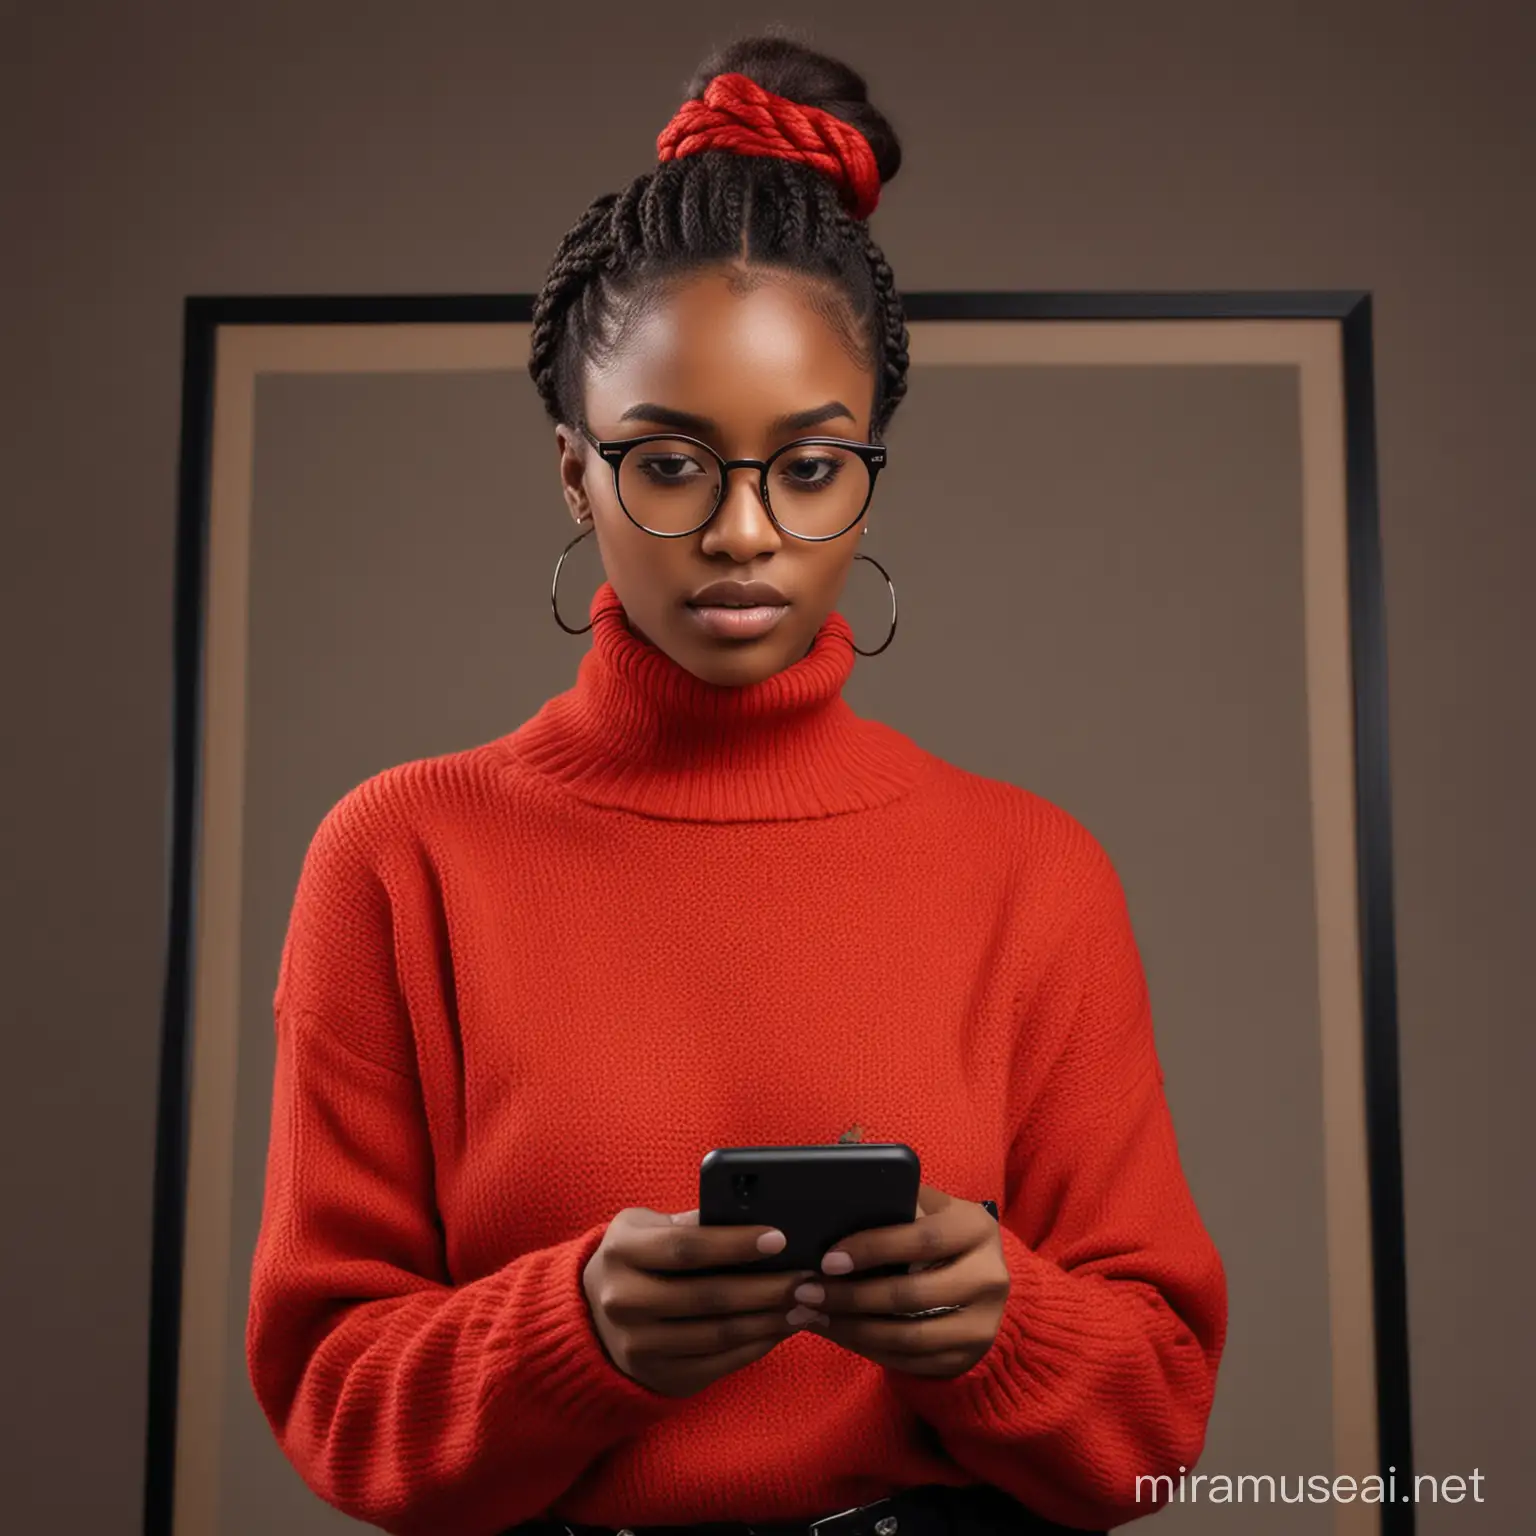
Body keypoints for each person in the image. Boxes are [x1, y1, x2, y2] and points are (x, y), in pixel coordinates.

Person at [246, 32, 1228, 1536]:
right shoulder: (401, 854)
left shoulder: (1034, 871)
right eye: (669, 463)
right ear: (574, 471)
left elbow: (1153, 1435)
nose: (746, 532)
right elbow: (333, 1403)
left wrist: (1003, 1330)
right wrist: (574, 1337)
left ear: (872, 469)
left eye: (813, 466)